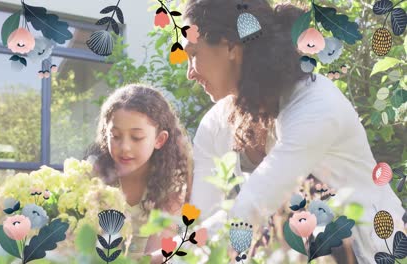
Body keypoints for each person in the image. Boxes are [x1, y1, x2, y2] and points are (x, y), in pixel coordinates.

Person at [183, 0, 405, 263]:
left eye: (194, 54)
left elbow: (255, 205)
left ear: (231, 46)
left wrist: (172, 255)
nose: (190, 73)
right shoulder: (217, 123)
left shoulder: (316, 106)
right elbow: (202, 217)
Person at [84, 84, 192, 262]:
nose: (125, 147)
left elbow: (157, 254)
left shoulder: (171, 185)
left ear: (159, 139)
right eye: (116, 136)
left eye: (136, 138)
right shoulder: (94, 176)